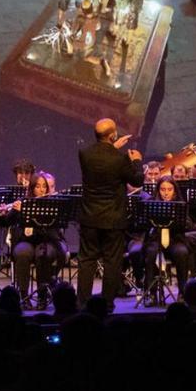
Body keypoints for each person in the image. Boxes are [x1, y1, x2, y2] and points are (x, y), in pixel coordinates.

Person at [76, 118, 144, 308]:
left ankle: (82, 303)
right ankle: (106, 304)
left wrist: (113, 147)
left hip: (90, 217)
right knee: (112, 262)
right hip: (113, 219)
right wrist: (136, 161)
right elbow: (137, 180)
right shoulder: (120, 159)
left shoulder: (84, 154)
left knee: (86, 260)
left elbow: (103, 159)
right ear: (113, 135)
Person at [0, 171, 67, 309]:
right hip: (26, 241)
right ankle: (23, 296)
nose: (41, 190)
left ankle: (42, 295)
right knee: (22, 253)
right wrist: (9, 212)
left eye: (44, 187)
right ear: (32, 188)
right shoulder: (23, 202)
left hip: (47, 240)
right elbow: (6, 222)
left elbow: (58, 226)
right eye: (37, 186)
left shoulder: (53, 203)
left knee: (44, 254)